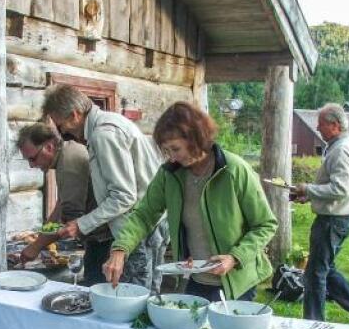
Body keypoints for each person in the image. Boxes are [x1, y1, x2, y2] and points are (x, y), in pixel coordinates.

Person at [105, 102, 277, 301]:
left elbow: (265, 224)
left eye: (176, 149)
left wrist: (234, 257)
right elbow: (144, 215)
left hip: (237, 283)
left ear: (196, 138)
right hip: (195, 280)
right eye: (166, 151)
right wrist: (120, 249)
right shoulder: (169, 174)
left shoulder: (234, 170)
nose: (172, 158)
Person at [42, 84, 168, 291]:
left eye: (61, 125)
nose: (63, 132)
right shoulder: (111, 122)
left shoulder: (103, 134)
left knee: (133, 299)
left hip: (137, 230)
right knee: (149, 296)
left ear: (74, 115)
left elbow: (123, 197)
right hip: (151, 223)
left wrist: (81, 224)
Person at [292, 103, 349, 325]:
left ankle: (313, 323)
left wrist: (308, 189)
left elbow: (340, 189)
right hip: (338, 218)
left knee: (315, 274)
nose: (317, 127)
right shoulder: (340, 146)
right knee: (325, 269)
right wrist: (310, 196)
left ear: (335, 125)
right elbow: (335, 186)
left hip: (333, 220)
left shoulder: (340, 150)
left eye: (321, 124)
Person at [16, 122, 113, 286]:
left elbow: (69, 223)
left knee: (96, 293)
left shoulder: (68, 163)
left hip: (105, 240)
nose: (31, 165)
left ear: (49, 146)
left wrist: (36, 246)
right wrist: (41, 235)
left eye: (32, 158)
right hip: (99, 237)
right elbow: (59, 207)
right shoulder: (66, 152)